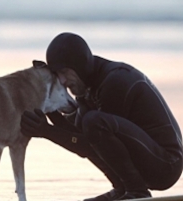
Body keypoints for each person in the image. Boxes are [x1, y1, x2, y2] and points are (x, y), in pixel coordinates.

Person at [20, 32, 183, 201]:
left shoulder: (116, 80)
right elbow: (79, 137)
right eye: (57, 75)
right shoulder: (87, 89)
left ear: (79, 65)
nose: (62, 81)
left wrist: (47, 131)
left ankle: (136, 190)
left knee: (93, 122)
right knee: (89, 123)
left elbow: (88, 144)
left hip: (166, 165)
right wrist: (49, 111)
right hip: (148, 159)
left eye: (64, 72)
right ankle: (122, 188)